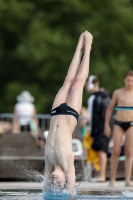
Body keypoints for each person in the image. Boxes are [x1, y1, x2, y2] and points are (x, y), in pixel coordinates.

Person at [44, 31, 93, 195]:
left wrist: (47, 192)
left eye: (53, 183)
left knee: (68, 80)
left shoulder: (48, 163)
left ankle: (79, 46)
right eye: (59, 183)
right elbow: (72, 191)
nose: (54, 181)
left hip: (55, 112)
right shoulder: (67, 162)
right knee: (78, 82)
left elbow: (45, 187)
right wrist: (69, 194)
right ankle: (88, 49)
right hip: (70, 113)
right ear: (66, 178)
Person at [104, 70, 133, 187]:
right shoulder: (118, 92)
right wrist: (106, 124)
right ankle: (112, 179)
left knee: (129, 151)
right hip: (118, 123)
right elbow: (110, 108)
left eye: (132, 81)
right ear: (124, 80)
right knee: (115, 151)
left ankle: (127, 179)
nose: (130, 83)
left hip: (131, 123)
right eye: (128, 80)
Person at [86, 75, 111, 182]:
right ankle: (101, 174)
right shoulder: (105, 96)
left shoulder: (93, 98)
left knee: (101, 151)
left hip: (97, 129)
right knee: (102, 151)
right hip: (106, 127)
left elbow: (92, 117)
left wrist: (91, 132)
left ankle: (101, 175)